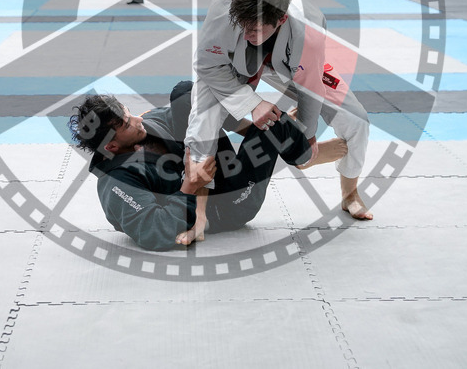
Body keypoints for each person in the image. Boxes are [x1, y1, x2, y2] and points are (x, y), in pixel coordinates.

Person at [181, 0, 373, 244]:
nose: (247, 33)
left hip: (293, 63)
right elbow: (207, 66)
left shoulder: (309, 30)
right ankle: (196, 214)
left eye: (255, 29)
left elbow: (310, 88)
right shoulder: (224, 11)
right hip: (235, 64)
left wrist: (306, 138)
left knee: (357, 120)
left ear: (281, 19)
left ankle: (350, 194)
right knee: (203, 121)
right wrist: (253, 103)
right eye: (243, 25)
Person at [69, 81, 344, 250]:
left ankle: (299, 154)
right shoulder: (116, 182)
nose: (138, 121)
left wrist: (253, 129)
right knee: (277, 126)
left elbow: (197, 109)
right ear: (111, 147)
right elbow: (154, 232)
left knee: (187, 94)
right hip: (227, 205)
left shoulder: (147, 125)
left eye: (130, 115)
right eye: (128, 124)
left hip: (219, 168)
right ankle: (297, 149)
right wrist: (190, 187)